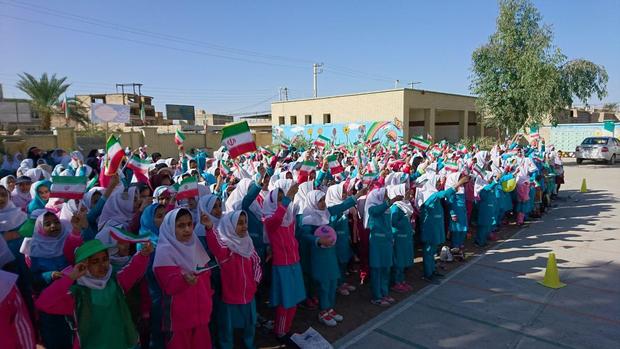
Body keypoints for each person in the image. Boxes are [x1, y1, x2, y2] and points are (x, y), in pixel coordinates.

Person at [35, 239, 153, 349]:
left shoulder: (116, 283)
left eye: (105, 259)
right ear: (83, 265)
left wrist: (143, 254)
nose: (102, 265)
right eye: (95, 261)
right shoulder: (77, 294)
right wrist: (71, 277)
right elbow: (43, 302)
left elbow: (133, 269)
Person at [154, 208, 213, 349]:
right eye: (181, 225)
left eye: (189, 224)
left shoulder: (195, 244)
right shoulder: (165, 251)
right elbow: (169, 285)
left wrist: (208, 298)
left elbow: (206, 278)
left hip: (201, 316)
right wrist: (184, 280)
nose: (187, 229)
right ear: (169, 228)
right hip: (178, 322)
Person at [28, 210, 85, 349]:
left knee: (76, 335)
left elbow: (74, 249)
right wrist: (50, 275)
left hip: (72, 297)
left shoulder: (66, 239)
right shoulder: (35, 249)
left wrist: (77, 229)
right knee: (56, 338)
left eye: (56, 222)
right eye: (47, 224)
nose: (53, 226)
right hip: (51, 304)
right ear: (40, 229)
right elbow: (34, 278)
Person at [205, 210, 261, 349]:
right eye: (239, 223)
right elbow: (215, 245)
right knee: (227, 326)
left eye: (245, 222)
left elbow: (256, 263)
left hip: (248, 294)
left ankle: (249, 344)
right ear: (229, 226)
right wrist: (209, 228)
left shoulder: (248, 243)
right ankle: (226, 345)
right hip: (230, 296)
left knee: (250, 323)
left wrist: (255, 281)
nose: (244, 226)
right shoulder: (226, 249)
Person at [262, 180, 305, 342]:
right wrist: (288, 197)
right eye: (278, 199)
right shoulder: (270, 221)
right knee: (285, 301)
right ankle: (280, 331)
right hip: (282, 266)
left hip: (294, 262)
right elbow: (277, 217)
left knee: (293, 300)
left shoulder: (288, 218)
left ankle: (287, 328)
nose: (281, 202)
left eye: (282, 199)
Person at [417, 173, 469, 283]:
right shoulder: (429, 196)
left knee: (433, 251)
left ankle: (432, 270)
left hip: (435, 228)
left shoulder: (433, 194)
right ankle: (428, 274)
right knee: (428, 251)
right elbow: (445, 193)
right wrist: (459, 183)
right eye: (436, 182)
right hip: (430, 229)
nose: (439, 184)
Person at [364, 188, 396, 306]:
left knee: (385, 269)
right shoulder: (372, 207)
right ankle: (376, 296)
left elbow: (389, 225)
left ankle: (384, 293)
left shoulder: (387, 209)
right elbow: (375, 212)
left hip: (386, 242)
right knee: (377, 269)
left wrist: (391, 237)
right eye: (385, 195)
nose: (387, 197)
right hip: (377, 242)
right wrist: (389, 202)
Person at [387, 183, 415, 293]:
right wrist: (404, 223)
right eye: (406, 190)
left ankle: (401, 280)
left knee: (403, 260)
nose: (409, 192)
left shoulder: (405, 204)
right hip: (398, 237)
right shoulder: (396, 207)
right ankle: (396, 282)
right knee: (398, 260)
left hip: (405, 237)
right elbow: (392, 221)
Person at [445, 171, 468, 257]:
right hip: (456, 212)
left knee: (463, 229)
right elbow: (450, 202)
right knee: (456, 230)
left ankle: (460, 244)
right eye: (459, 178)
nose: (461, 180)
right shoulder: (452, 189)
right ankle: (455, 247)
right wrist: (452, 213)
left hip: (462, 212)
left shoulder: (462, 188)